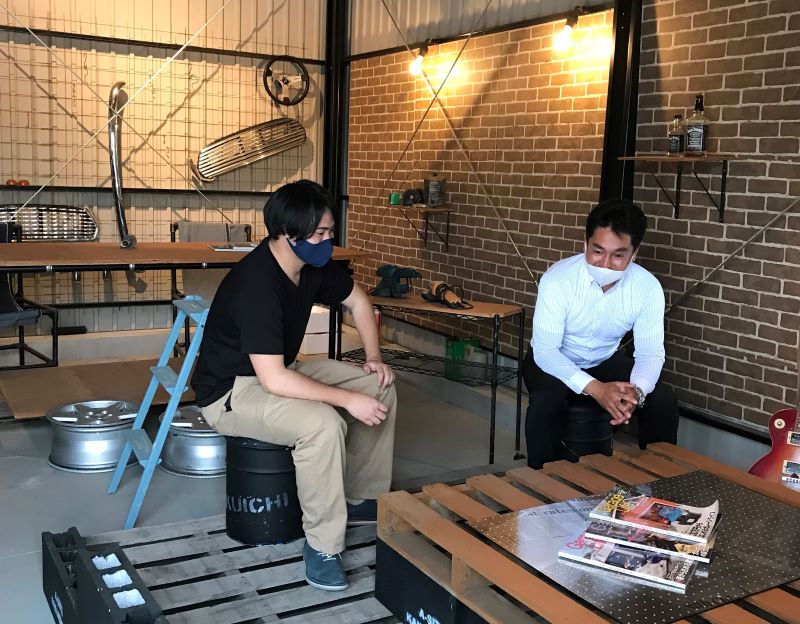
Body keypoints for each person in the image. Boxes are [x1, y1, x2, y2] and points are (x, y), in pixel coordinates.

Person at [191, 180, 396, 592]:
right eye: (320, 233)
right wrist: (345, 400)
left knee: (379, 386)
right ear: (288, 232)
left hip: (276, 370)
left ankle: (359, 497)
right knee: (322, 423)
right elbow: (274, 380)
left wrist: (373, 359)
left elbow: (358, 301)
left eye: (330, 231)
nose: (328, 241)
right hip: (232, 392)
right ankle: (322, 547)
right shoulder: (257, 284)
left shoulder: (311, 267)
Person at [522, 198, 678, 469]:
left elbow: (651, 354)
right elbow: (546, 351)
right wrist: (596, 389)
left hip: (603, 359)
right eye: (597, 251)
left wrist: (636, 393)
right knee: (546, 403)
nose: (605, 264)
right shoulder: (558, 280)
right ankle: (543, 480)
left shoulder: (647, 288)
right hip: (552, 360)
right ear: (586, 243)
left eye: (618, 255)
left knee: (662, 400)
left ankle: (660, 482)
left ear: (634, 253)